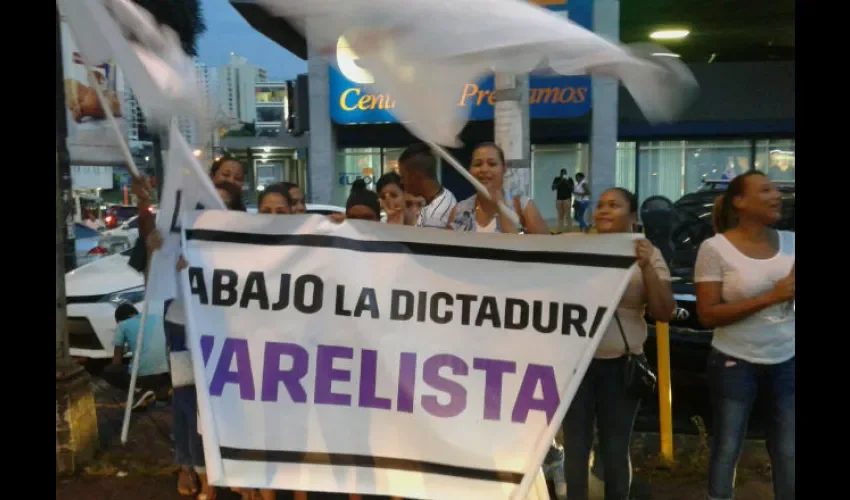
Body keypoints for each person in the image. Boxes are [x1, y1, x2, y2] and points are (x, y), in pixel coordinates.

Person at [562, 187, 675, 500]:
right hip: (577, 367)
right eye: (600, 205)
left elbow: (663, 311)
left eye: (614, 205)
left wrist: (646, 266)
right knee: (575, 448)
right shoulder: (578, 245)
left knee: (614, 449)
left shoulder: (647, 252)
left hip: (621, 367)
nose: (604, 211)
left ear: (633, 216)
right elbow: (535, 241)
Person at [694, 171, 794, 500]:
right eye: (765, 189)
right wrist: (772, 296)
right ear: (740, 202)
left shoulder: (792, 242)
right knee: (727, 448)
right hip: (734, 362)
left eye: (776, 189)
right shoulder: (715, 248)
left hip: (788, 359)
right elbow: (707, 315)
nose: (776, 195)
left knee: (788, 450)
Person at [448, 142, 548, 234]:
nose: (484, 169)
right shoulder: (459, 211)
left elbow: (543, 248)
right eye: (477, 164)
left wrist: (502, 208)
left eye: (492, 164)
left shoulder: (523, 207)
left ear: (504, 169)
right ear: (470, 170)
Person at [100, 302, 170, 409]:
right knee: (159, 368)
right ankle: (161, 399)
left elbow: (116, 360)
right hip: (169, 373)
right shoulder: (157, 318)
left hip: (143, 376)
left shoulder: (122, 325)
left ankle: (139, 389)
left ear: (119, 320)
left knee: (110, 371)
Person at [397, 143, 456, 228]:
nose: (401, 182)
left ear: (415, 177)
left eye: (403, 177)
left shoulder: (434, 217)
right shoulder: (446, 195)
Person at [551, 169, 575, 233]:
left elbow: (572, 189)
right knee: (560, 215)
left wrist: (567, 182)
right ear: (560, 173)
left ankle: (569, 230)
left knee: (568, 215)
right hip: (559, 199)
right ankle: (560, 230)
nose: (564, 174)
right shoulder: (557, 179)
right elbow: (553, 188)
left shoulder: (570, 179)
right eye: (563, 173)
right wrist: (561, 181)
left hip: (567, 199)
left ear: (567, 173)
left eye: (565, 173)